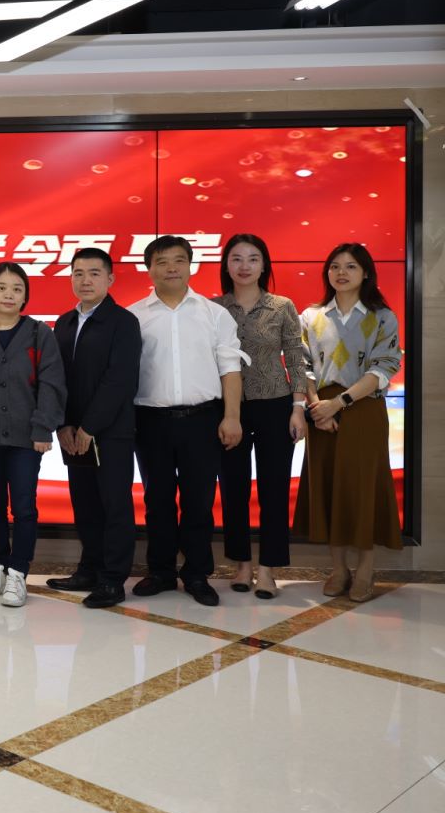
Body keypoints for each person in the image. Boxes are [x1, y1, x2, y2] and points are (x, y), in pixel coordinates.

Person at [129, 235, 244, 607]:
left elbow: (230, 369)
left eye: (179, 260)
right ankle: (161, 571)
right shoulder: (133, 316)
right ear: (149, 268)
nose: (171, 268)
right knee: (157, 499)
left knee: (199, 500)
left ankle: (196, 573)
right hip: (150, 421)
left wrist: (232, 417)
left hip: (203, 420)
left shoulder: (214, 314)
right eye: (162, 261)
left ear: (191, 265)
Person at [296, 242, 403, 603]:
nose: (341, 273)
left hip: (362, 409)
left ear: (366, 273)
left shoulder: (383, 317)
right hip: (320, 411)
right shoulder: (311, 316)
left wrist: (339, 403)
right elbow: (302, 365)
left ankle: (366, 571)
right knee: (329, 487)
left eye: (351, 266)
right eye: (335, 266)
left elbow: (385, 367)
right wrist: (316, 407)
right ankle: (339, 569)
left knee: (362, 489)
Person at [47, 247, 142, 609]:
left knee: (114, 505)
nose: (85, 280)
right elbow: (57, 379)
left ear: (110, 279)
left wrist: (89, 427)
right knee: (85, 504)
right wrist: (63, 425)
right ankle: (89, 569)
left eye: (94, 273)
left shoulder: (123, 322)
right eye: (78, 273)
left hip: (111, 432)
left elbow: (120, 380)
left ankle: (113, 580)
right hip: (73, 434)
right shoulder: (64, 322)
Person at [214, 233, 307, 600]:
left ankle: (268, 568)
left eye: (253, 259)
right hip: (229, 409)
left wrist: (298, 407)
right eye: (236, 258)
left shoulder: (282, 306)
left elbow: (296, 358)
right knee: (233, 487)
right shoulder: (214, 308)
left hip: (275, 404)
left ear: (264, 265)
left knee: (274, 488)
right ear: (226, 265)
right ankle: (241, 564)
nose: (244, 266)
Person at [0, 262, 66, 608]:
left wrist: (43, 428)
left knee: (24, 507)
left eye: (16, 288)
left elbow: (52, 383)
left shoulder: (40, 333)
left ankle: (18, 572)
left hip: (27, 438)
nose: (9, 294)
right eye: (1, 288)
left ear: (25, 296)